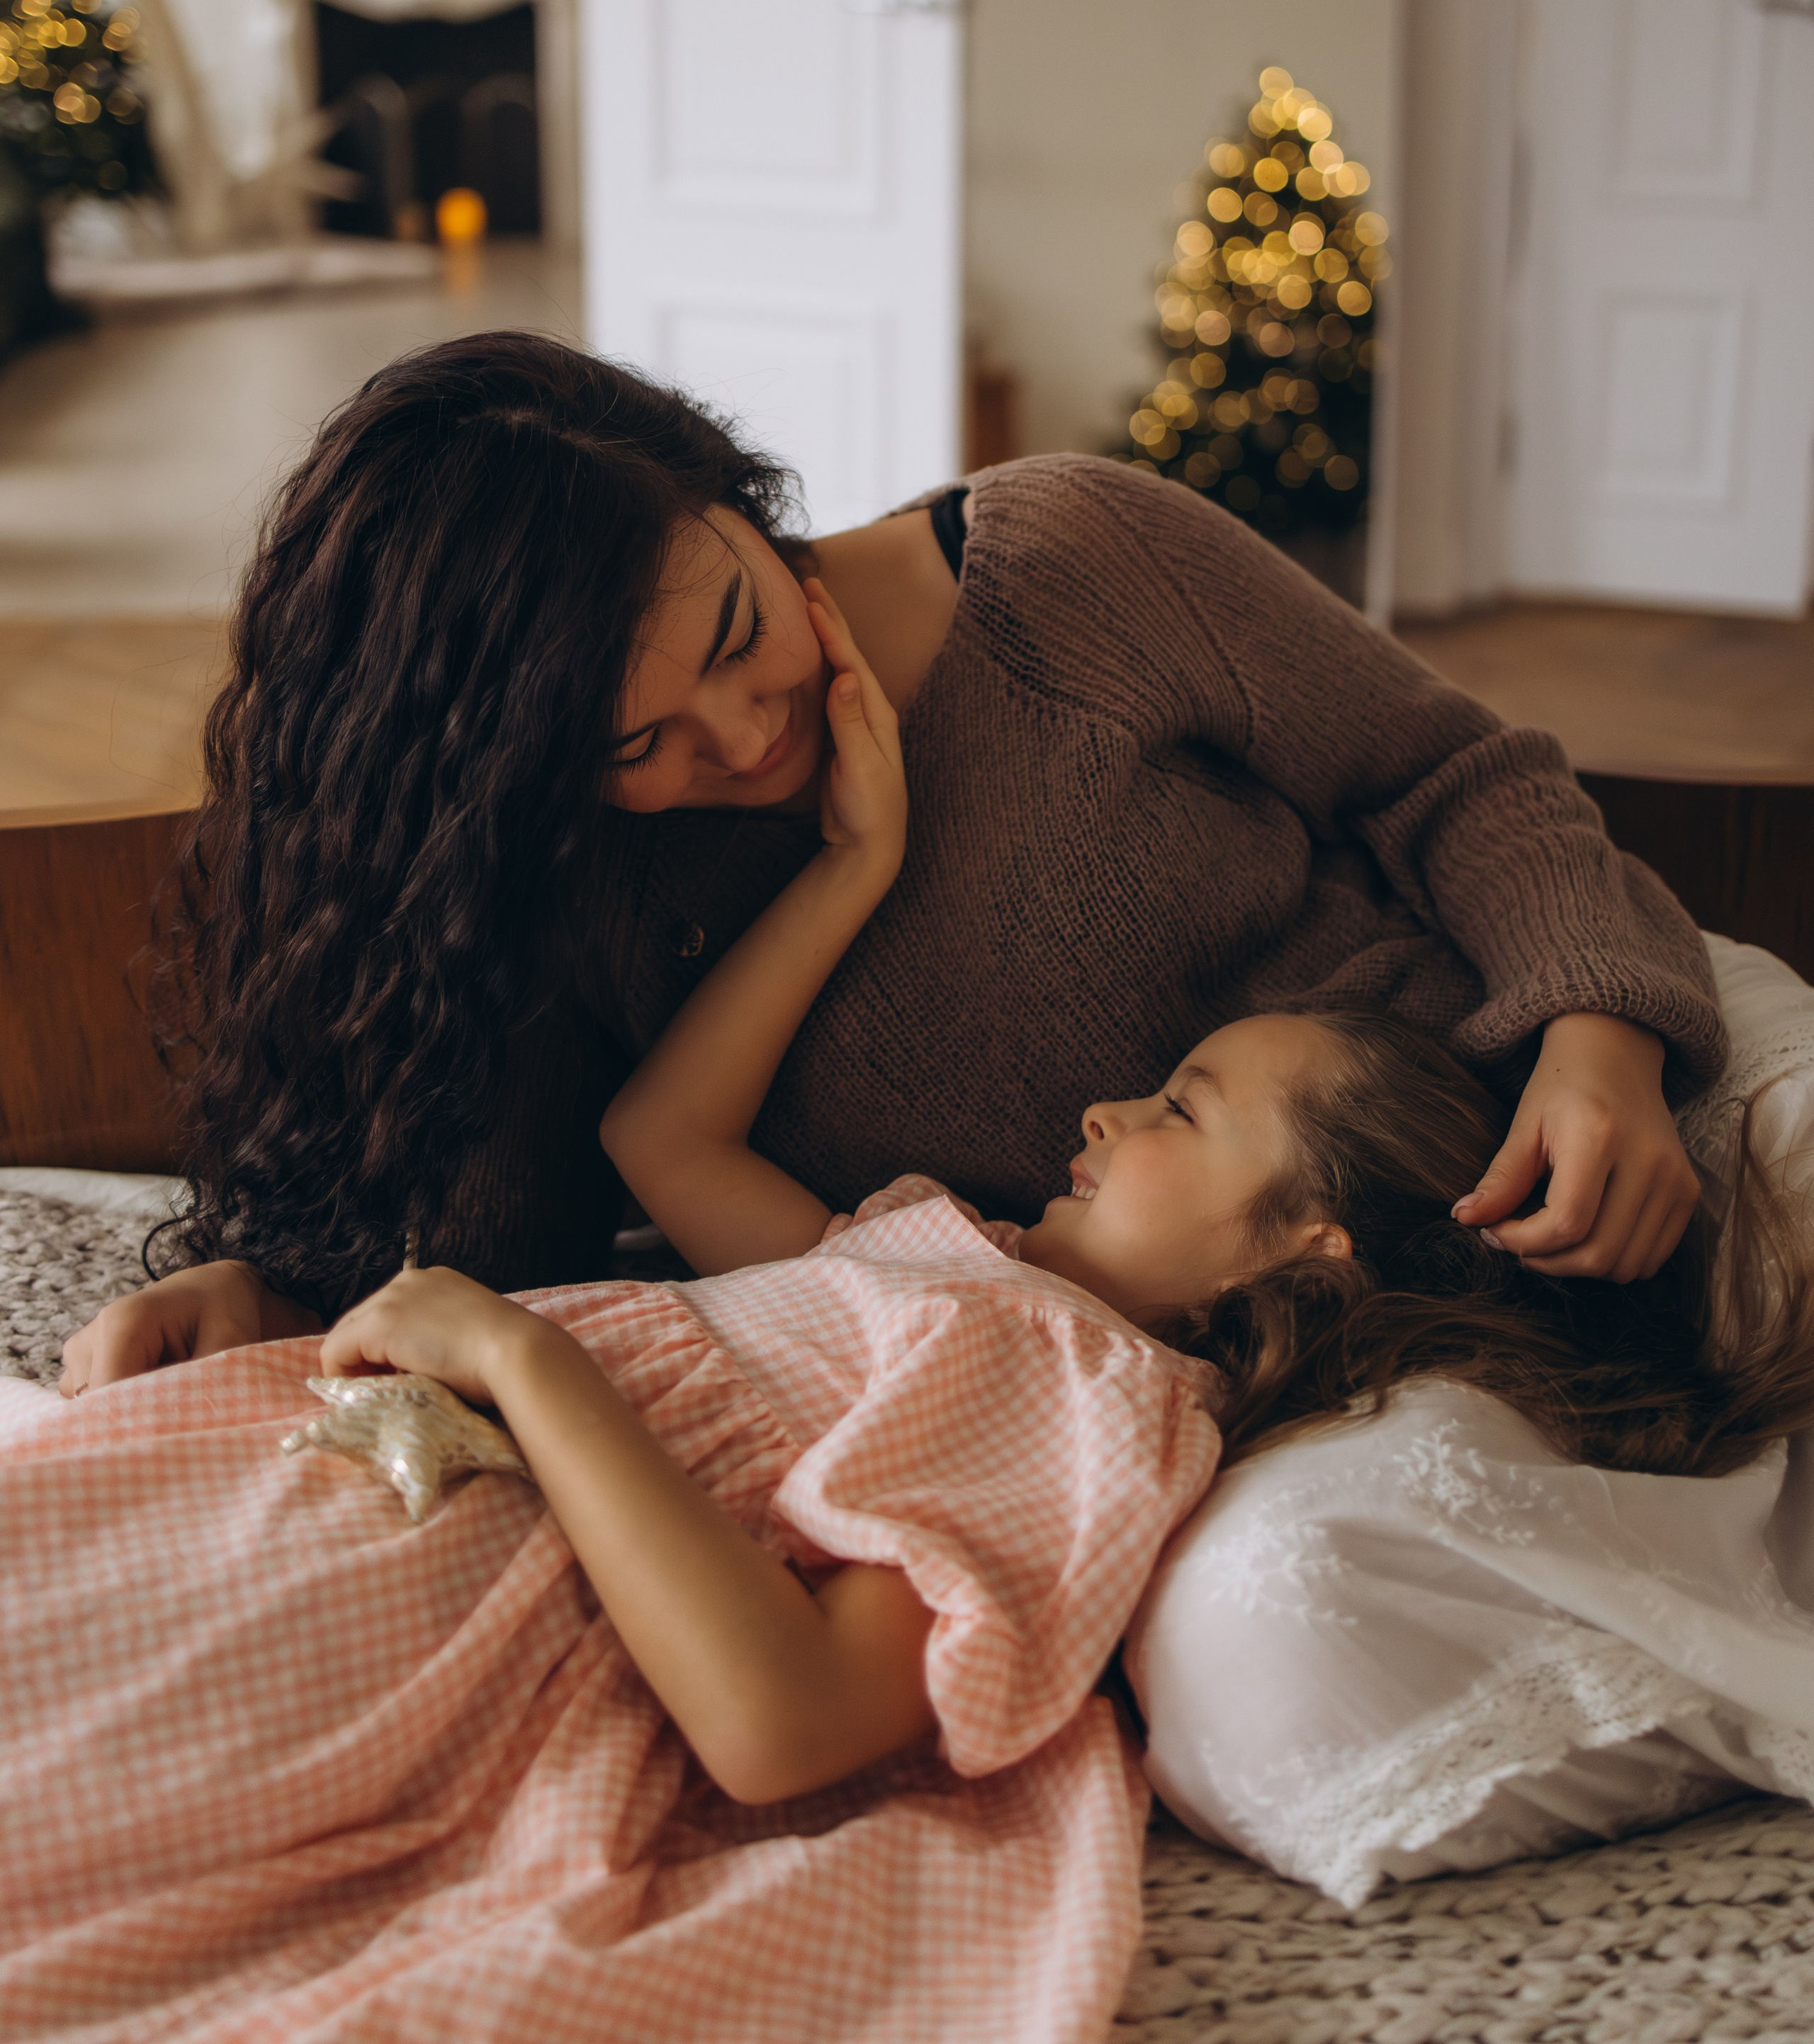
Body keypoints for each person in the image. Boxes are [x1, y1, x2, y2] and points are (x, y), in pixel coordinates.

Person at [11, 591, 1812, 2044]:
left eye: (1178, 1108)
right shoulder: (956, 1259)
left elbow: (784, 1724)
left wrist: (520, 1352)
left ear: (1306, 1254)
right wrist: (849, 866)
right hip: (338, 1461)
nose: (1103, 1113)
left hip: (455, 1572)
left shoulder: (1088, 1389)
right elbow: (662, 1137)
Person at [62, 334, 1723, 1390]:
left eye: (732, 629)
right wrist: (280, 1290)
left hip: (1518, 1147)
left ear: (729, 491)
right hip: (1167, 1371)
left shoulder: (1063, 562)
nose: (733, 735)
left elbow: (1456, 778)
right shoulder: (564, 884)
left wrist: (1599, 1042)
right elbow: (538, 1229)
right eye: (629, 749)